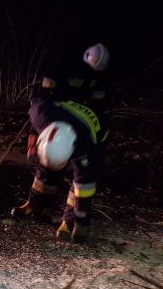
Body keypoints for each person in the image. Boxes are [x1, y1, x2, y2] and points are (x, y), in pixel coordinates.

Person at [12, 44, 111, 242]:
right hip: (60, 113)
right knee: (47, 168)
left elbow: (85, 185)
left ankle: (69, 220)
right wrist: (33, 139)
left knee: (80, 180)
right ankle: (35, 204)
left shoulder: (87, 146)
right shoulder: (42, 113)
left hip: (87, 130)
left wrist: (81, 222)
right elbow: (43, 95)